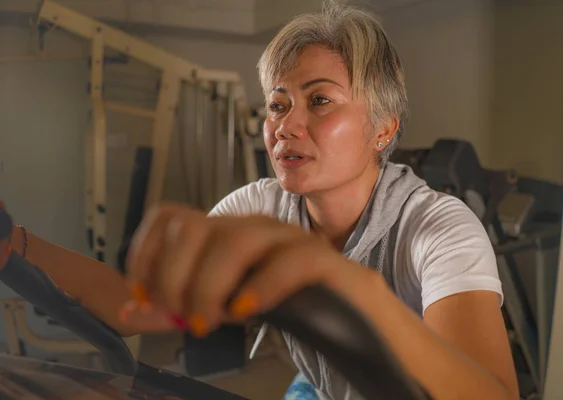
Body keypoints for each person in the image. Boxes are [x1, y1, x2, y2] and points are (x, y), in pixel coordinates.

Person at [0, 2, 519, 399]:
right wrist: (11, 243)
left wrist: (352, 291)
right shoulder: (258, 207)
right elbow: (128, 307)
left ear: (383, 128)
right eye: (277, 103)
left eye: (319, 100)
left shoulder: (439, 227)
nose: (284, 126)